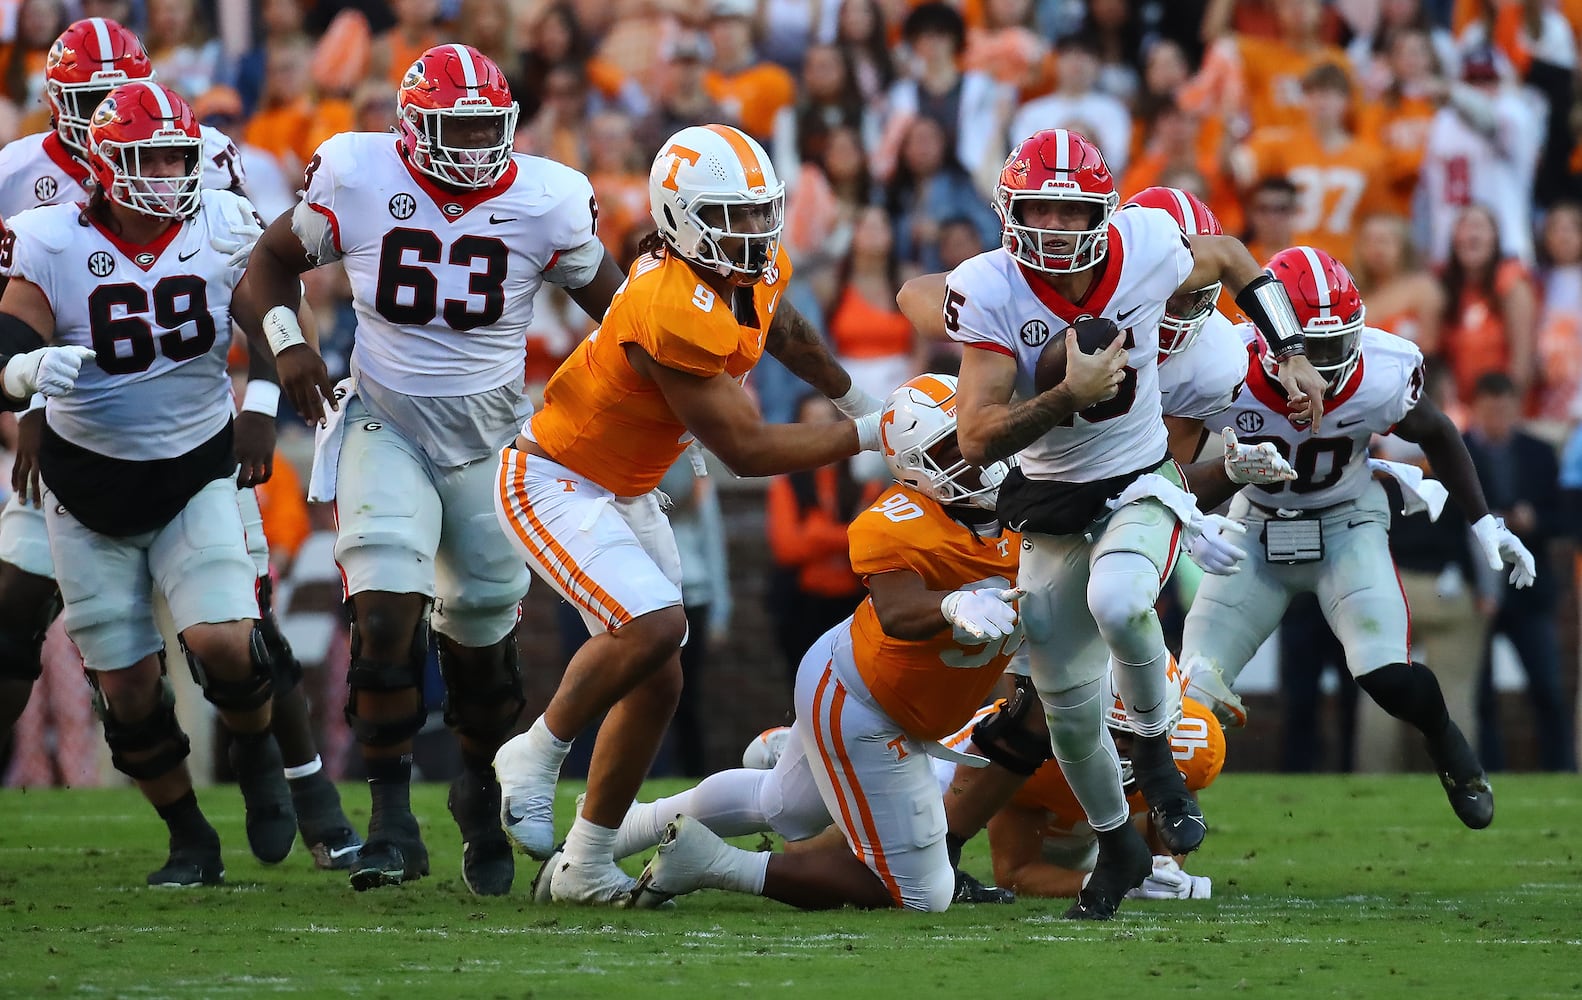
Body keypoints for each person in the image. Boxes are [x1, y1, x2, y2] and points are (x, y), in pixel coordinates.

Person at [233, 44, 627, 896]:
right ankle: (389, 819)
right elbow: (264, 268)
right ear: (411, 127)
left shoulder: (547, 196)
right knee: (382, 618)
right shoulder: (357, 172)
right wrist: (290, 344)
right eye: (463, 125)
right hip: (386, 419)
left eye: (493, 125)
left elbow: (625, 315)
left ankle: (479, 792)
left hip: (492, 436)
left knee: (484, 649)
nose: (481, 142)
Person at [907, 129, 1326, 919]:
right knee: (1065, 711)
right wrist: (1066, 393)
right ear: (1011, 211)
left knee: (1123, 602)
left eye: (1074, 212)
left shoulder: (1145, 252)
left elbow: (1233, 254)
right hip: (1050, 503)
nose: (1059, 228)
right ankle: (1119, 844)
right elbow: (975, 436)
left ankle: (1156, 752)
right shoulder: (992, 287)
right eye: (1043, 211)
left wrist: (1290, 347)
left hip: (1140, 480)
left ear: (1104, 214)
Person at [491, 123, 886, 905]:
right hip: (552, 478)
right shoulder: (668, 300)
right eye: (728, 216)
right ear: (678, 214)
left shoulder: (746, 266)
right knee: (653, 625)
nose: (749, 233)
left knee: (660, 674)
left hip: (624, 486)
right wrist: (870, 433)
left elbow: (784, 327)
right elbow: (745, 448)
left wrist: (854, 395)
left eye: (756, 213)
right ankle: (534, 753)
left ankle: (587, 861)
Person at [0, 17, 359, 868]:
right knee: (123, 683)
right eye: (147, 158)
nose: (167, 172)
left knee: (230, 641)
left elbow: (274, 315)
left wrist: (263, 401)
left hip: (195, 459)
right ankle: (190, 837)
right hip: (81, 480)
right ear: (95, 155)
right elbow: (14, 335)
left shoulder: (225, 216)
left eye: (176, 155)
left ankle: (280, 769)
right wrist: (26, 387)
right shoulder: (47, 231)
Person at [621, 373, 1019, 912]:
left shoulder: (1028, 503)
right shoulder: (896, 520)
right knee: (924, 893)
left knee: (784, 807)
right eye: (954, 445)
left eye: (977, 433)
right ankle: (714, 864)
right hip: (864, 703)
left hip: (872, 684)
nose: (978, 455)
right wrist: (952, 603)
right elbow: (899, 611)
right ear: (913, 464)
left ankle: (620, 830)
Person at [1181, 247, 1536, 827]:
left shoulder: (1383, 369)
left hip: (1347, 522)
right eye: (1309, 348)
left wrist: (1484, 523)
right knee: (1193, 685)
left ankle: (1444, 740)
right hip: (1255, 528)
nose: (1322, 363)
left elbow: (1439, 433)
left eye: (1335, 344)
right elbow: (1173, 473)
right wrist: (1205, 506)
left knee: (1386, 674)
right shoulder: (1223, 367)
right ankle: (1166, 815)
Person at [1463, 373, 1573, 771]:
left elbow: (1561, 516)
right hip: (1478, 589)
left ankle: (1560, 770)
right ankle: (1490, 770)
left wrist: (1534, 519)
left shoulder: (1538, 452)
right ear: (1476, 408)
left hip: (1529, 589)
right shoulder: (1458, 450)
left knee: (1546, 686)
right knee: (1481, 694)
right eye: (1490, 409)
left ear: (1515, 408)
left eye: (1504, 408)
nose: (1497, 417)